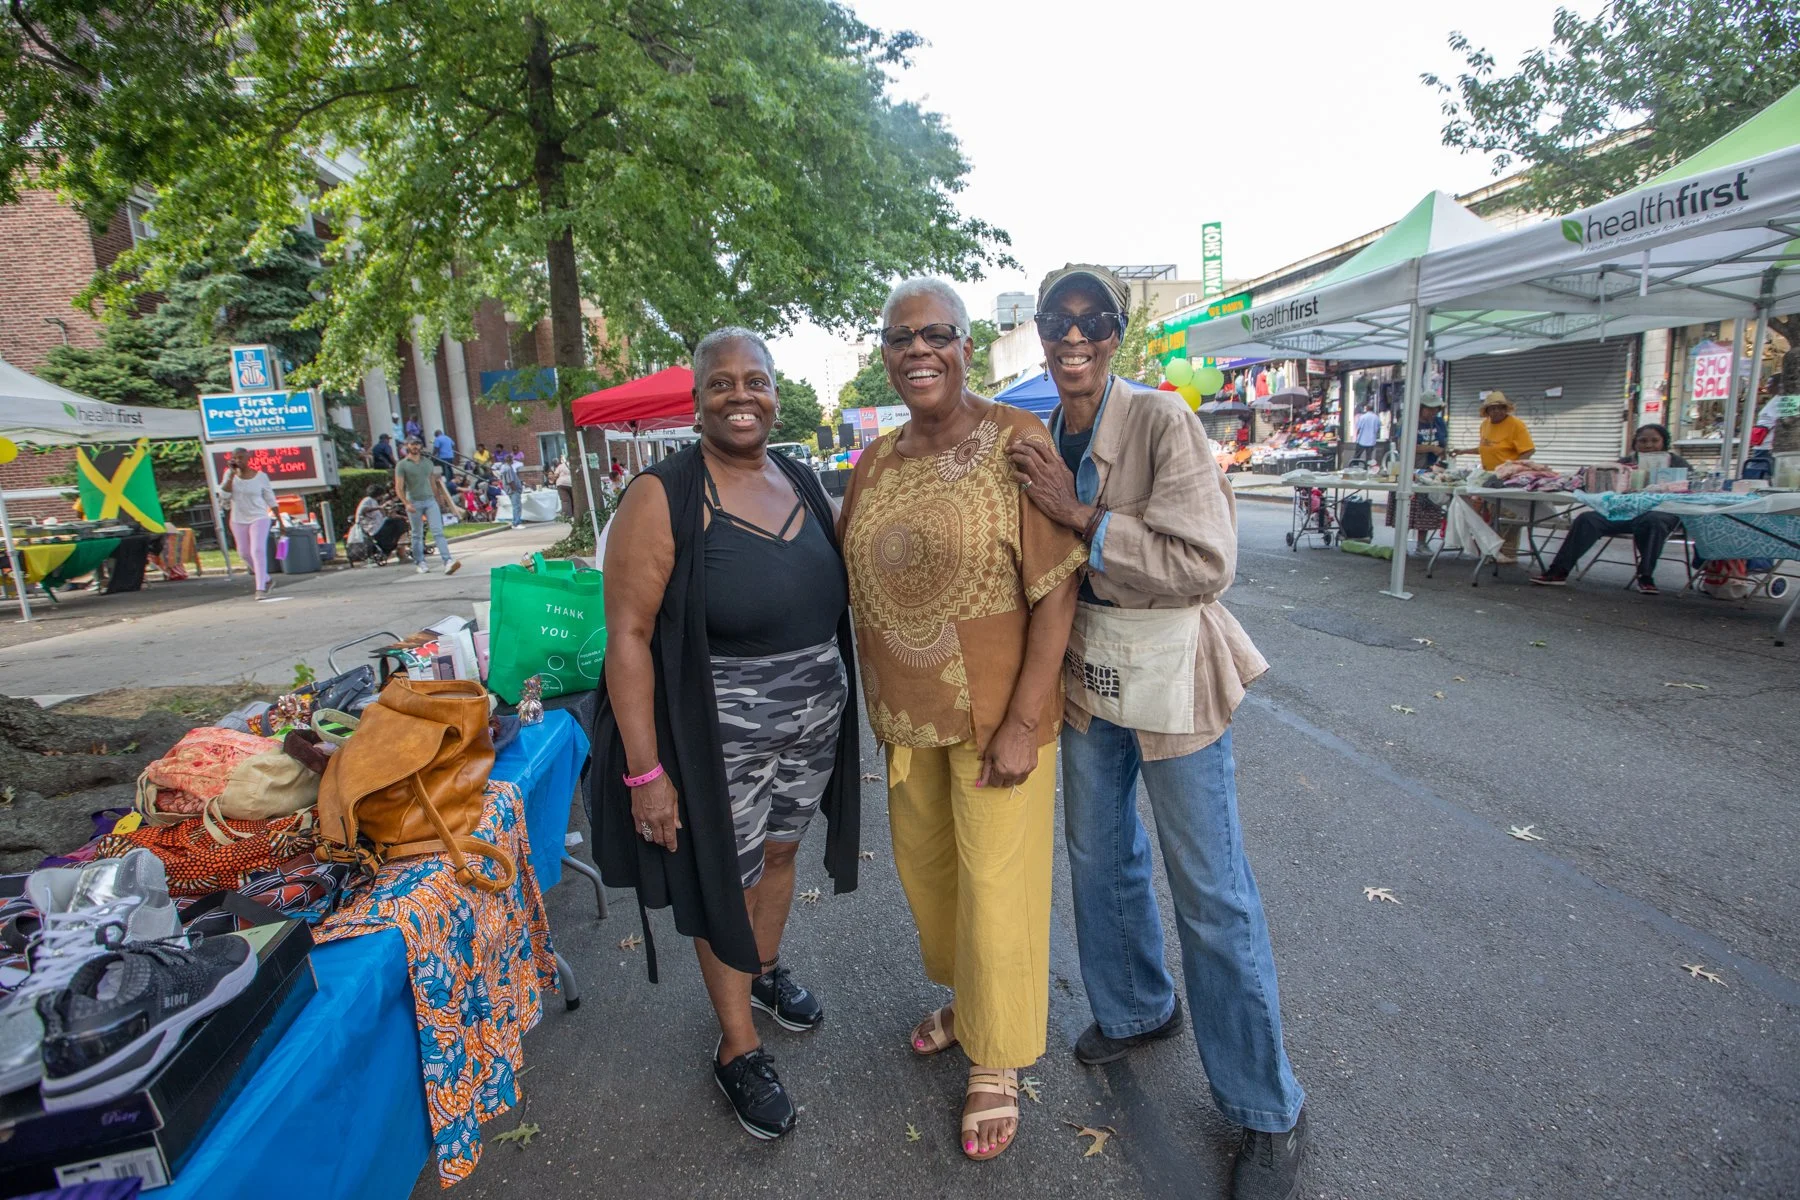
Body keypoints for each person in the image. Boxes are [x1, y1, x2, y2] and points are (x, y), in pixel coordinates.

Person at [1007, 264, 1309, 1200]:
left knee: (1211, 891)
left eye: (1092, 321)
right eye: (1057, 319)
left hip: (1174, 670)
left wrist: (1083, 514)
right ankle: (1138, 1009)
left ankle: (1266, 1110)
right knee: (1099, 858)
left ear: (1117, 334)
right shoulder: (1038, 430)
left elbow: (1207, 561)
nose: (1072, 337)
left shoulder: (1159, 419)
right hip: (1089, 671)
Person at [594, 327, 859, 1142]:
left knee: (780, 855)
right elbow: (629, 637)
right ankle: (737, 1044)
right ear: (697, 399)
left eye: (756, 381)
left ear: (777, 392)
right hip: (720, 730)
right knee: (726, 876)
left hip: (814, 717)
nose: (741, 397)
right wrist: (647, 774)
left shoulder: (803, 479)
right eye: (721, 385)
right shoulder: (663, 492)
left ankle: (764, 969)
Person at [839, 278, 1083, 1162]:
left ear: (966, 346)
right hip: (907, 717)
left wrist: (1024, 719)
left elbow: (1056, 592)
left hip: (995, 713)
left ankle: (997, 1057)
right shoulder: (876, 460)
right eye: (899, 338)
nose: (917, 351)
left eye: (934, 334)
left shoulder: (1015, 440)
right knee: (933, 878)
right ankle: (972, 1002)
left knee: (995, 884)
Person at [1532, 423, 1689, 594]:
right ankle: (1558, 571)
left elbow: (1689, 491)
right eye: (1643, 441)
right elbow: (1604, 490)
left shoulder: (1678, 463)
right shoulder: (1624, 463)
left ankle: (1646, 576)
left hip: (1660, 513)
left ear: (1663, 442)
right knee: (1587, 519)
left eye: (1654, 441)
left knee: (1653, 521)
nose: (1648, 445)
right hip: (1624, 513)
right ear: (1635, 443)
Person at [1454, 391, 1536, 564]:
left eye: (1500, 408)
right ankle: (1493, 550)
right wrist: (1463, 451)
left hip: (1509, 477)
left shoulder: (1516, 425)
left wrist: (1513, 467)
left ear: (1506, 409)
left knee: (1508, 515)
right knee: (1492, 514)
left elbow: (1528, 450)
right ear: (1487, 410)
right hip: (1489, 477)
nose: (1497, 411)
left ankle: (1508, 553)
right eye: (1493, 408)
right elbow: (1485, 448)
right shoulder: (1485, 425)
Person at [394, 439, 461, 575]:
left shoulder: (428, 463)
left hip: (430, 500)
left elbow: (432, 483)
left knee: (438, 531)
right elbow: (399, 487)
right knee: (417, 534)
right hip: (414, 501)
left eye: (418, 444)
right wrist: (406, 503)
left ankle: (447, 561)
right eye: (412, 444)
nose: (415, 447)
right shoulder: (402, 465)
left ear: (421, 446)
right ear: (408, 446)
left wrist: (439, 500)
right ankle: (420, 562)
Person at [1394, 393, 1450, 553]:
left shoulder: (1439, 423)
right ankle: (1400, 544)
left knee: (1428, 508)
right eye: (1429, 408)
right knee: (1408, 507)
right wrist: (1431, 448)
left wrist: (1444, 453)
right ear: (1421, 408)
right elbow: (1403, 446)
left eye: (1435, 409)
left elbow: (1444, 442)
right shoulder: (1410, 423)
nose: (1432, 412)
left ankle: (1422, 543)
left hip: (1433, 470)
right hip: (1411, 470)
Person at [222, 447, 279, 599]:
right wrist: (231, 476)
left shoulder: (260, 476)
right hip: (238, 518)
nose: (238, 461)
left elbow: (270, 498)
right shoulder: (230, 475)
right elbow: (224, 494)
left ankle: (260, 588)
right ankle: (266, 579)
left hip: (259, 516)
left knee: (257, 550)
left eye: (241, 458)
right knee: (244, 553)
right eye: (235, 458)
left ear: (248, 458)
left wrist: (281, 521)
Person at [495, 453, 524, 527]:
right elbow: (510, 480)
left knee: (516, 506)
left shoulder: (504, 467)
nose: (512, 461)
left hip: (510, 490)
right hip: (513, 490)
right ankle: (516, 522)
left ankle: (516, 521)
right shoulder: (507, 468)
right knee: (516, 506)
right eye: (512, 459)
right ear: (510, 460)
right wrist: (515, 489)